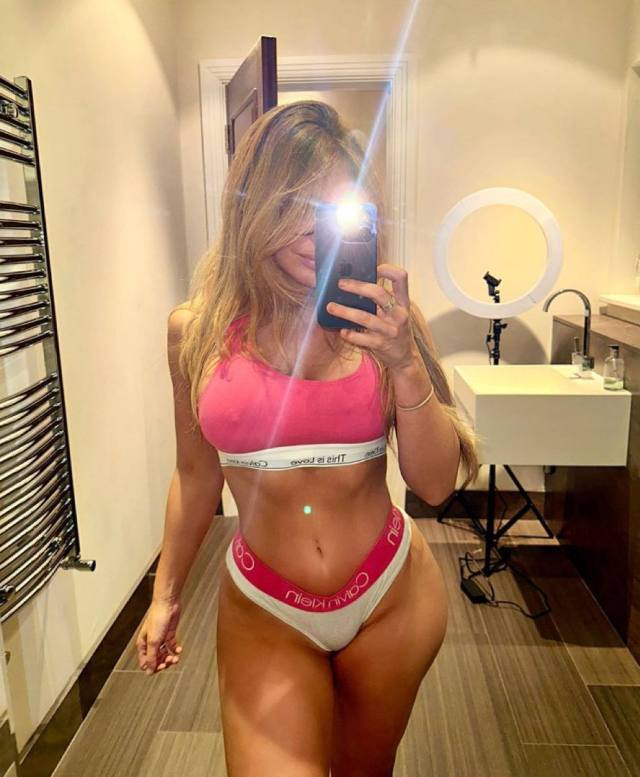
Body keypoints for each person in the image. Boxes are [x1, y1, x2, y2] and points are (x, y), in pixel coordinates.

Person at [136, 100, 479, 777]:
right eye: (292, 202)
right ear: (254, 205)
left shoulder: (388, 321)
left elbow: (436, 484)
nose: (308, 229)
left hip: (392, 598)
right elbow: (196, 475)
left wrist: (406, 363)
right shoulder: (195, 331)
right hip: (266, 606)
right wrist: (165, 594)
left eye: (329, 208)